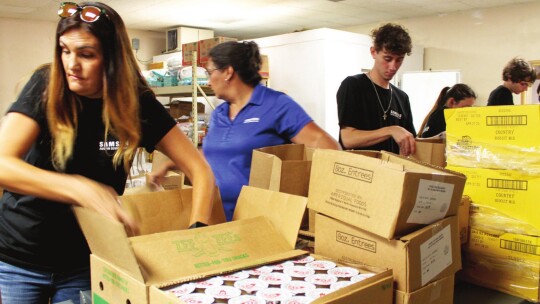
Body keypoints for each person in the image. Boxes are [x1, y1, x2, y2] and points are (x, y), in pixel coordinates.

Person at [0, 2, 215, 303]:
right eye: (64, 50)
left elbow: (200, 170)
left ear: (113, 59)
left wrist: (197, 232)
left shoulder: (139, 105)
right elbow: (3, 166)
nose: (71, 64)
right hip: (19, 258)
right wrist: (79, 188)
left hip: (87, 258)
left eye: (86, 54)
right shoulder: (45, 86)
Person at [153, 41, 341, 221]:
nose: (209, 81)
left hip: (259, 219)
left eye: (210, 72)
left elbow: (325, 145)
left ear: (227, 72)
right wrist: (173, 162)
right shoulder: (220, 113)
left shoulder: (276, 104)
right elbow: (215, 155)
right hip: (217, 215)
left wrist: (315, 195)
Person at [337, 23, 416, 156]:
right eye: (388, 59)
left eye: (399, 60)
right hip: (361, 172)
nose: (393, 67)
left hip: (392, 173)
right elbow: (348, 139)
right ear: (374, 52)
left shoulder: (402, 98)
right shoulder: (353, 85)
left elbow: (411, 141)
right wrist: (391, 130)